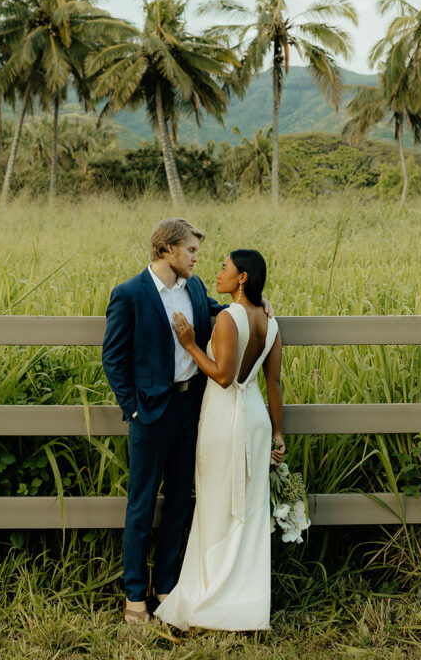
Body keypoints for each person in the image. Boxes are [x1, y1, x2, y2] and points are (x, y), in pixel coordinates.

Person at [101, 218, 224, 624]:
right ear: (167, 249)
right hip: (150, 414)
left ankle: (167, 587)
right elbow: (113, 358)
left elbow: (215, 316)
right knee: (141, 504)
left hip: (191, 409)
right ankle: (134, 596)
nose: (195, 257)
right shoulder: (130, 294)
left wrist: (252, 306)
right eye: (190, 250)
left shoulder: (196, 288)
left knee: (178, 500)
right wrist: (134, 409)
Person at [155, 248, 285, 631]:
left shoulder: (229, 318)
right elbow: (273, 382)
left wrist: (191, 343)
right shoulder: (270, 320)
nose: (218, 272)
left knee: (215, 504)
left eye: (225, 268)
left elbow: (224, 376)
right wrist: (278, 433)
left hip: (226, 417)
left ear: (242, 277)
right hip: (258, 420)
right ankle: (247, 597)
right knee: (249, 508)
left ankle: (213, 595)